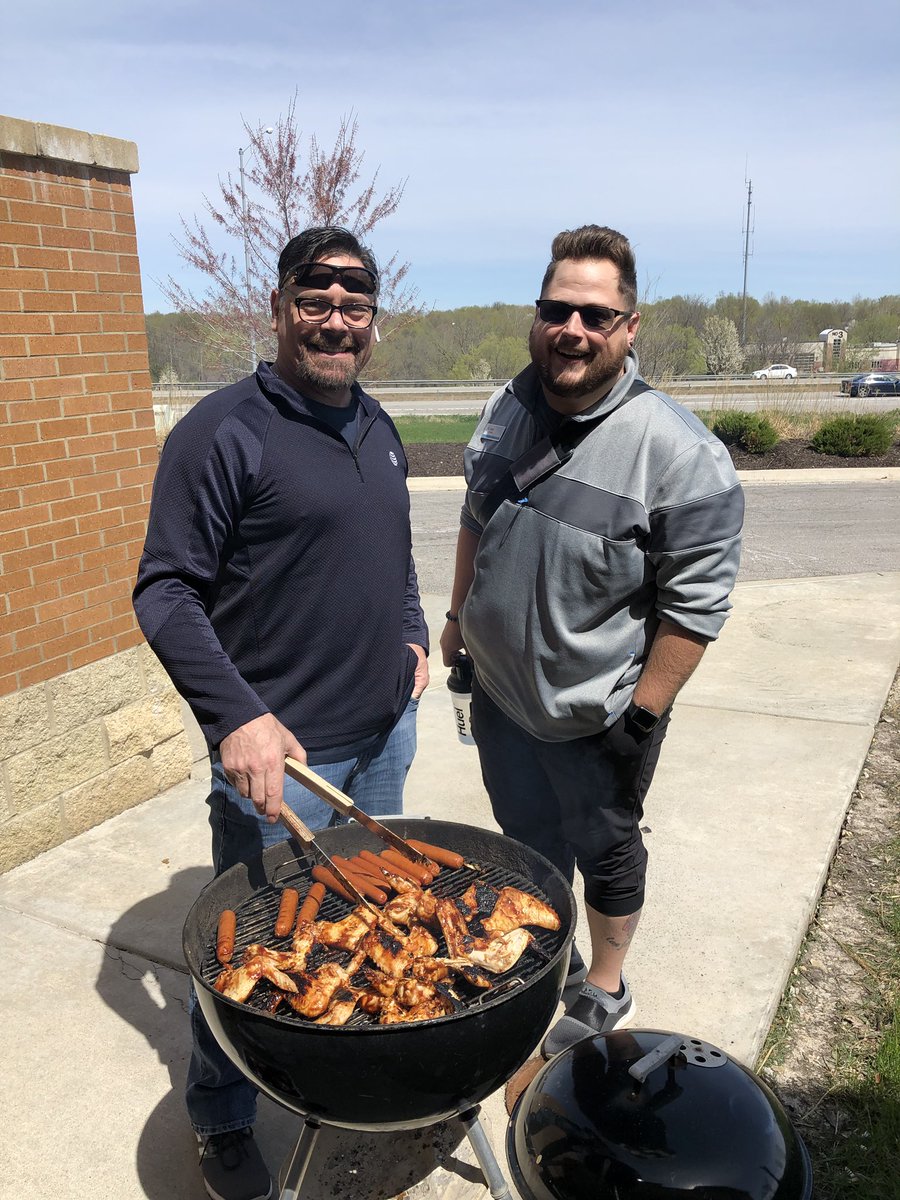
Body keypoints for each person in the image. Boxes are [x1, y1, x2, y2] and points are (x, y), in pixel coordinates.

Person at [133, 226, 429, 1200]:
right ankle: (222, 1117)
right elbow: (166, 591)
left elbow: (394, 550)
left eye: (355, 302)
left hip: (385, 736)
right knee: (248, 951)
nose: (336, 318)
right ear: (279, 309)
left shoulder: (376, 425)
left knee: (367, 919)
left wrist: (415, 631)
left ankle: (341, 1073)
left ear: (372, 323)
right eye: (316, 297)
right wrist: (238, 719)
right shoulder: (223, 431)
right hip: (284, 757)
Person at [440, 224, 743, 1059]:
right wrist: (459, 618)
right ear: (537, 316)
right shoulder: (506, 408)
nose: (572, 328)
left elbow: (695, 609)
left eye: (595, 315)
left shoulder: (681, 456)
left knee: (605, 849)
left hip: (598, 715)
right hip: (500, 700)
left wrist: (639, 720)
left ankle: (604, 982)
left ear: (628, 328)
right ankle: (544, 948)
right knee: (523, 836)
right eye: (556, 309)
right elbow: (475, 518)